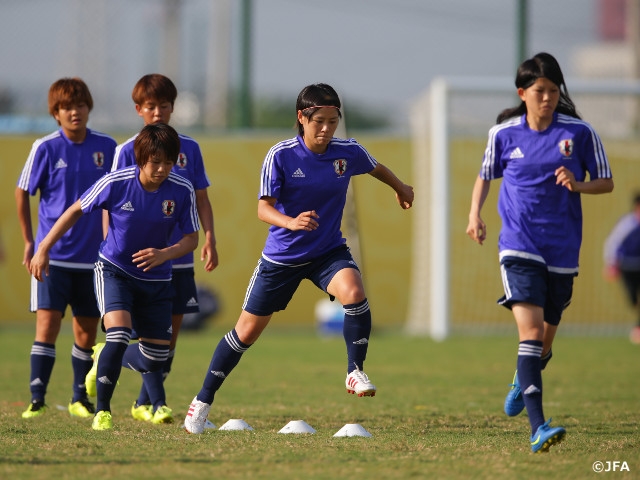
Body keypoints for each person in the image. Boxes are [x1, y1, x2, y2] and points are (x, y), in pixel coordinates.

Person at [183, 82, 414, 434]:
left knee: (354, 291)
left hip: (327, 251)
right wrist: (291, 222)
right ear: (301, 118)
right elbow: (263, 209)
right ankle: (201, 402)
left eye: (333, 121)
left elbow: (374, 167)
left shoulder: (346, 152)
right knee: (245, 334)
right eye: (319, 121)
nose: (326, 129)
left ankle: (355, 372)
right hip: (282, 258)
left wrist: (400, 187)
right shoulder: (281, 156)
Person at [466, 52, 614, 453]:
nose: (547, 98)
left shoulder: (580, 133)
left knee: (545, 336)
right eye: (539, 91)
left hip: (563, 246)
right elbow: (484, 176)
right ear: (523, 93)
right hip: (518, 244)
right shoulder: (504, 134)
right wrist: (474, 215)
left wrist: (577, 184)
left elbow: (606, 182)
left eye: (553, 91)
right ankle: (538, 427)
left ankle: (522, 375)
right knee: (529, 333)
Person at [29, 123, 200, 431]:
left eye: (168, 162)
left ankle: (103, 355)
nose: (162, 169)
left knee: (158, 356)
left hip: (158, 278)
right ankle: (103, 412)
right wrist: (43, 247)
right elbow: (74, 210)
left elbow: (191, 238)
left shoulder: (181, 189)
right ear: (141, 159)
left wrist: (166, 253)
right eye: (155, 162)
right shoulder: (116, 182)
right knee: (119, 334)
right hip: (114, 271)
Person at [110, 74, 218, 425]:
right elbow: (110, 204)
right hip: (135, 262)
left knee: (168, 335)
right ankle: (115, 363)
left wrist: (210, 238)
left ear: (174, 108)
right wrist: (113, 250)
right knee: (140, 333)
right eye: (151, 106)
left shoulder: (191, 148)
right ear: (139, 109)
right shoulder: (126, 150)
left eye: (165, 105)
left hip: (178, 257)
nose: (158, 112)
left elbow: (201, 197)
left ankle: (144, 402)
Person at [15, 77, 116, 419]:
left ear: (89, 108)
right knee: (47, 326)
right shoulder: (45, 148)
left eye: (81, 105)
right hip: (53, 258)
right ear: (55, 113)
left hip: (94, 261)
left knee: (86, 331)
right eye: (66, 108)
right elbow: (22, 191)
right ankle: (37, 398)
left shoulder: (108, 147)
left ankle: (78, 398)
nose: (75, 112)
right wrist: (32, 242)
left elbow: (116, 197)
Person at [603, 192, 640, 344]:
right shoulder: (627, 224)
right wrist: (611, 264)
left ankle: (637, 328)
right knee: (633, 299)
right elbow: (612, 243)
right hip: (627, 267)